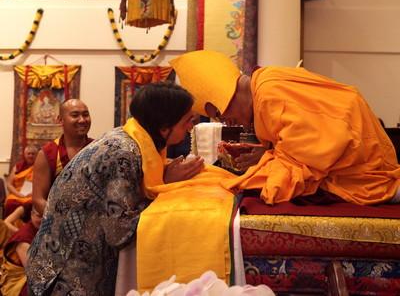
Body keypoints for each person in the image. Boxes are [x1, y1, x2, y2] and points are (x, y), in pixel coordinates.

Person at [26, 82, 204, 296]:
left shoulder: (130, 138)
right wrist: (168, 190)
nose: (189, 128)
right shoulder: (123, 153)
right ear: (164, 127)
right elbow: (119, 230)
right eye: (186, 121)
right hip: (66, 271)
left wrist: (164, 177)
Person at [170, 50, 400, 205]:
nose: (226, 121)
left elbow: (316, 154)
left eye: (219, 113)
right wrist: (267, 154)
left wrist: (256, 171)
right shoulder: (265, 82)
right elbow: (302, 145)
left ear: (226, 96)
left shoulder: (270, 95)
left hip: (366, 177)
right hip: (356, 161)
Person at [32, 98, 93, 216]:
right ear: (60, 120)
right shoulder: (48, 153)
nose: (82, 120)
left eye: (86, 115)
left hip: (93, 222)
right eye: (75, 115)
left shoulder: (98, 148)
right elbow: (38, 199)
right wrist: (60, 221)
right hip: (58, 222)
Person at [0, 207, 42, 296]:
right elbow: (35, 272)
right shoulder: (23, 239)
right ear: (32, 214)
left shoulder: (43, 228)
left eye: (46, 215)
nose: (43, 219)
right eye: (39, 216)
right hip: (19, 280)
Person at [4, 145, 38, 218]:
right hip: (17, 194)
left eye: (33, 154)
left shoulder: (40, 166)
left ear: (37, 155)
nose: (30, 156)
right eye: (28, 153)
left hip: (32, 194)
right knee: (10, 203)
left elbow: (43, 183)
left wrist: (33, 193)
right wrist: (18, 194)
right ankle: (9, 226)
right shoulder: (18, 166)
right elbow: (9, 184)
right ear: (25, 155)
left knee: (31, 204)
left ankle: (28, 227)